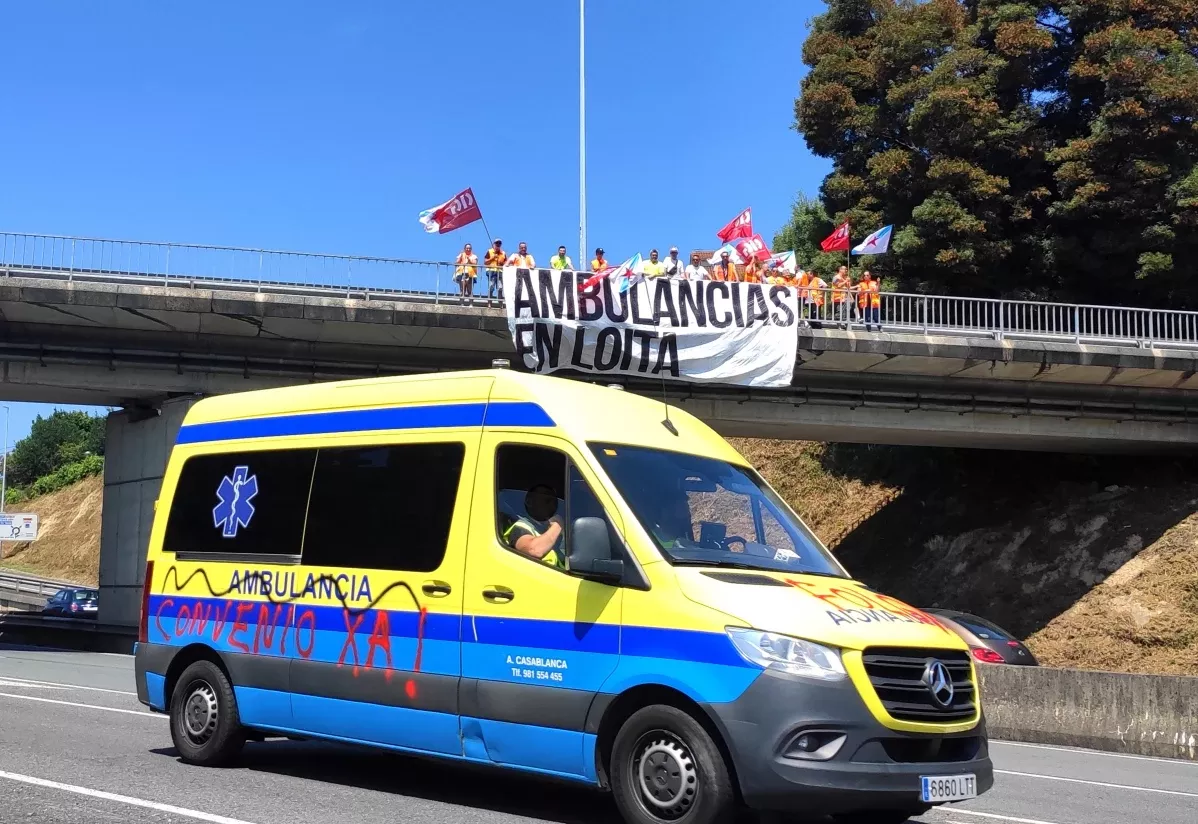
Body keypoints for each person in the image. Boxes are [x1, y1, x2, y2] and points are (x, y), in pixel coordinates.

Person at [503, 484, 565, 568]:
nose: (552, 503)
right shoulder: (521, 527)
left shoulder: (548, 530)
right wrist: (557, 525)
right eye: (547, 499)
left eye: (555, 500)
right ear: (529, 502)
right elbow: (534, 550)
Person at [483, 239, 506, 306]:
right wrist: (492, 258)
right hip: (491, 271)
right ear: (494, 244)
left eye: (499, 244)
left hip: (500, 272)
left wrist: (502, 263)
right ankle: (489, 302)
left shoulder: (503, 253)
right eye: (497, 243)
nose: (498, 245)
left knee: (500, 288)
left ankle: (500, 303)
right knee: (491, 286)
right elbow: (485, 262)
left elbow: (506, 263)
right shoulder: (489, 251)